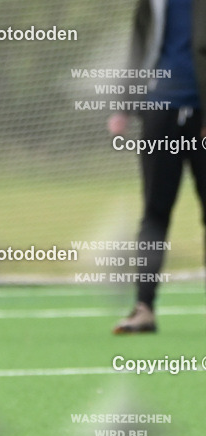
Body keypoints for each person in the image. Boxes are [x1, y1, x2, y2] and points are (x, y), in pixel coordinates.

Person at [109, 0, 206, 333]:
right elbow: (139, 43)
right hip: (159, 111)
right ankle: (144, 307)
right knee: (155, 211)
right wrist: (124, 104)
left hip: (202, 114)